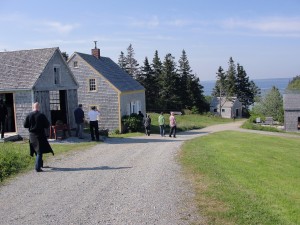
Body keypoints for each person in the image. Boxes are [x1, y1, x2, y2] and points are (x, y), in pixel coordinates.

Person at [24, 102, 54, 172]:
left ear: (33, 107)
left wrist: (32, 125)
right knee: (40, 151)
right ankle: (37, 168)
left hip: (32, 135)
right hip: (40, 135)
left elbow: (25, 125)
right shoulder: (41, 115)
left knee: (36, 150)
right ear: (38, 107)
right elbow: (47, 125)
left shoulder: (29, 115)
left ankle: (40, 164)